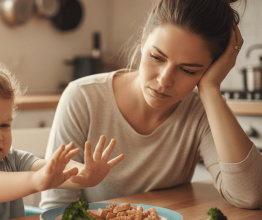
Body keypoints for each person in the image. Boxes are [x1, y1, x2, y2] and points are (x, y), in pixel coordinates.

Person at [40, 0, 262, 210]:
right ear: (143, 38)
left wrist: (211, 90)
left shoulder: (201, 111)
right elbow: (56, 206)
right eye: (157, 57)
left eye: (188, 70)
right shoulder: (83, 97)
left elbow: (249, 195)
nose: (164, 80)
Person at [0, 60, 124, 220]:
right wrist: (36, 181)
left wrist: (85, 175)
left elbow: (48, 168)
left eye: (5, 125)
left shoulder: (11, 159)